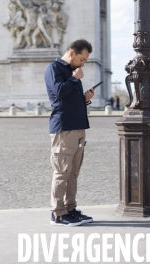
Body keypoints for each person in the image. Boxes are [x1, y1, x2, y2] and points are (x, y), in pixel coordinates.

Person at [44, 39, 95, 227]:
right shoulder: (54, 68)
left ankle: (70, 209)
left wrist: (85, 99)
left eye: (85, 61)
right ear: (72, 53)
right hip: (64, 128)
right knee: (62, 171)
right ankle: (58, 214)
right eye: (82, 59)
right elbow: (58, 93)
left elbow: (69, 99)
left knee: (73, 172)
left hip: (79, 127)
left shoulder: (74, 73)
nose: (83, 64)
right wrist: (75, 78)